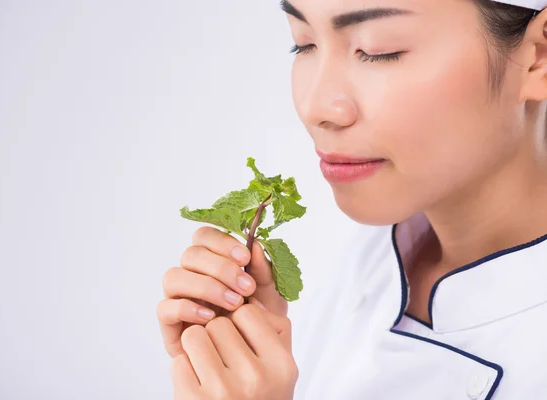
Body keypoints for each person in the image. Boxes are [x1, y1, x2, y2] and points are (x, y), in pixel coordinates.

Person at [157, 0, 547, 398]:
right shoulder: (366, 263)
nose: (315, 108)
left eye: (378, 50)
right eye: (303, 43)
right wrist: (237, 355)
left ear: (538, 57)